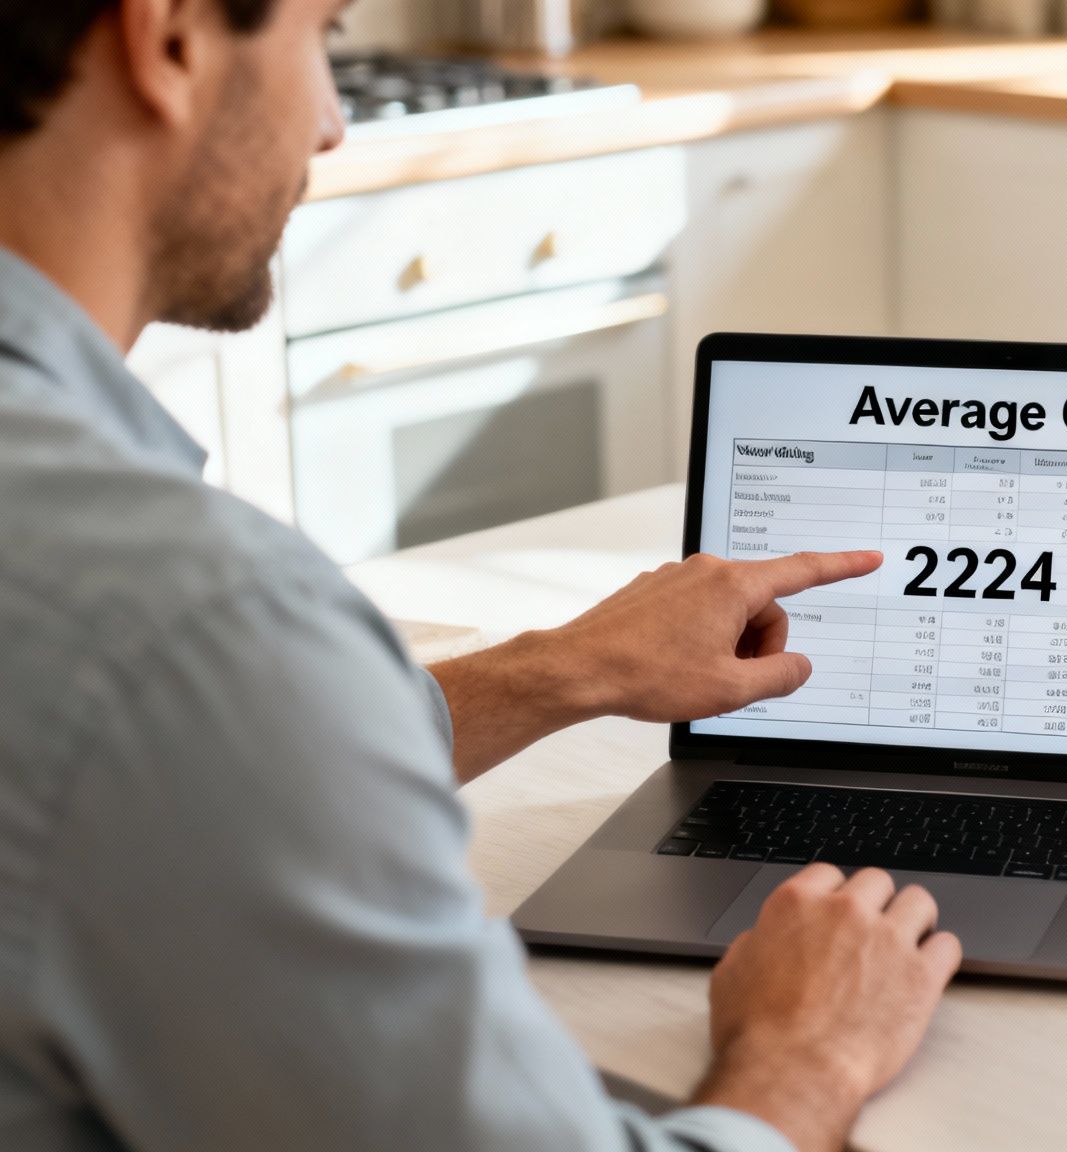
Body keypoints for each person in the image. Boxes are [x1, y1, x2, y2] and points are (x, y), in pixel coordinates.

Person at [0, 3, 959, 1151]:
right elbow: (194, 709)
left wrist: (566, 669)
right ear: (170, 38)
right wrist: (807, 1057)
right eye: (322, 37)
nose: (332, 123)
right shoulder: (199, 628)